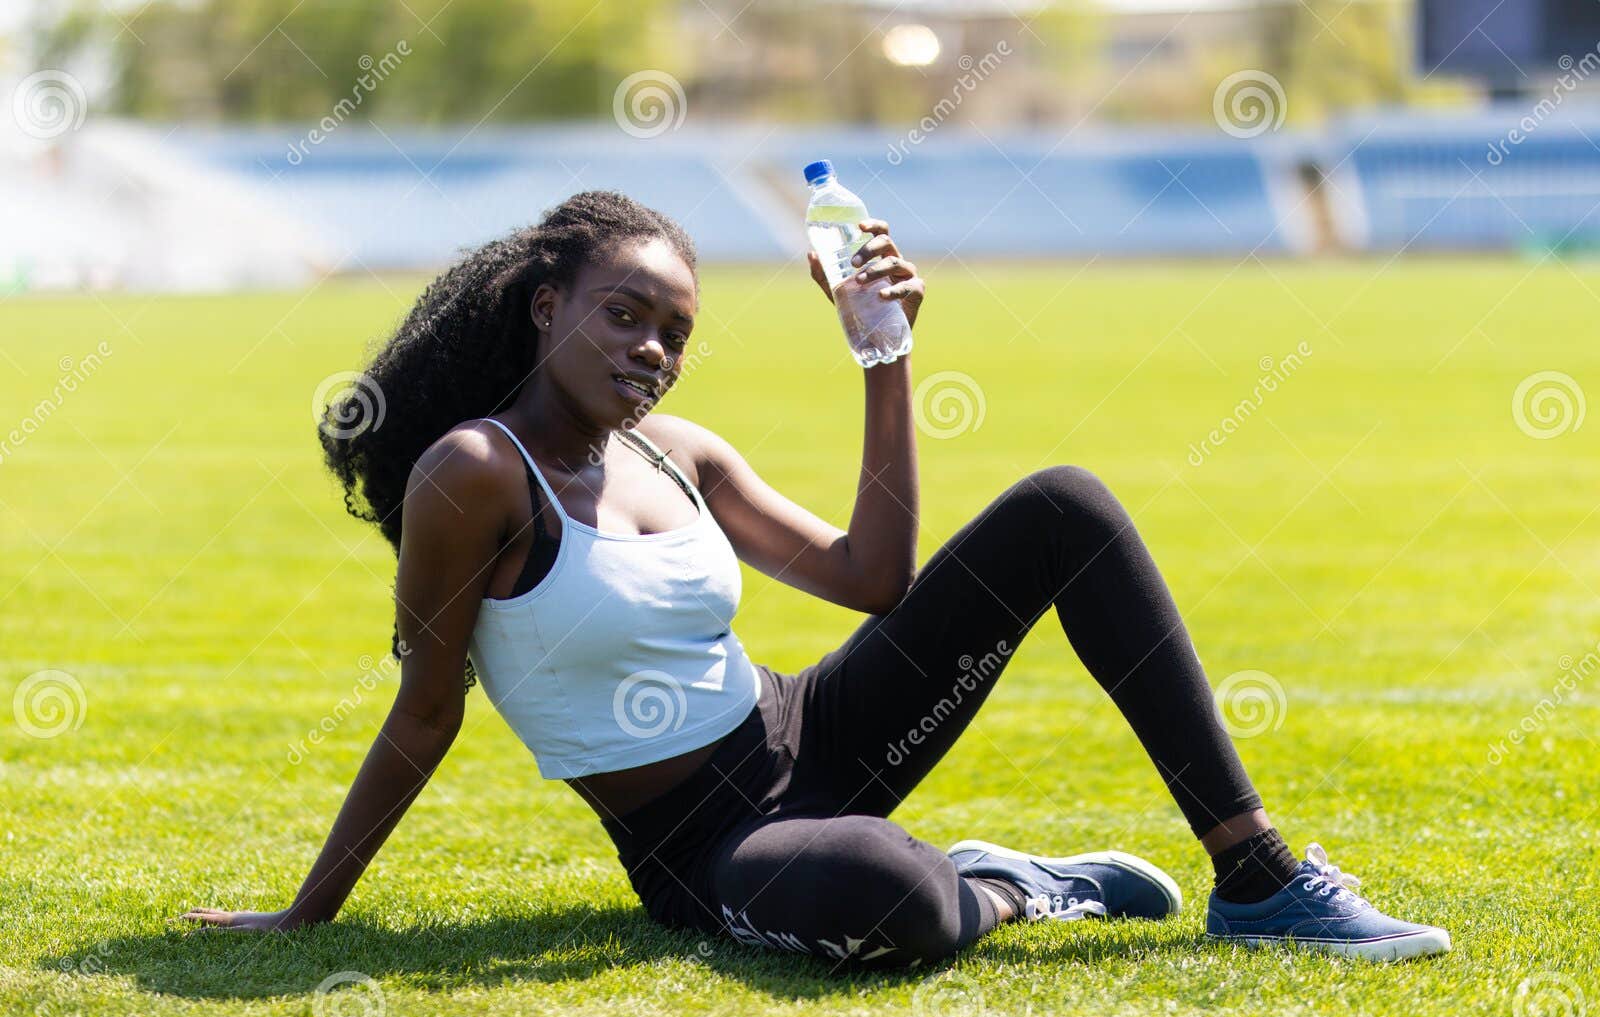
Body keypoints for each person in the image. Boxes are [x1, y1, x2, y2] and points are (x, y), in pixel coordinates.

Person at [182, 190, 1449, 967]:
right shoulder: (471, 475)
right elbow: (427, 707)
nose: (654, 351)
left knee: (1063, 507)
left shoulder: (673, 451)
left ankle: (1259, 873)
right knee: (890, 891)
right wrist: (309, 913)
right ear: (542, 301)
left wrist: (882, 352)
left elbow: (872, 576)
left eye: (676, 331)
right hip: (711, 844)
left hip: (813, 727)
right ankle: (1018, 883)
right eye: (625, 315)